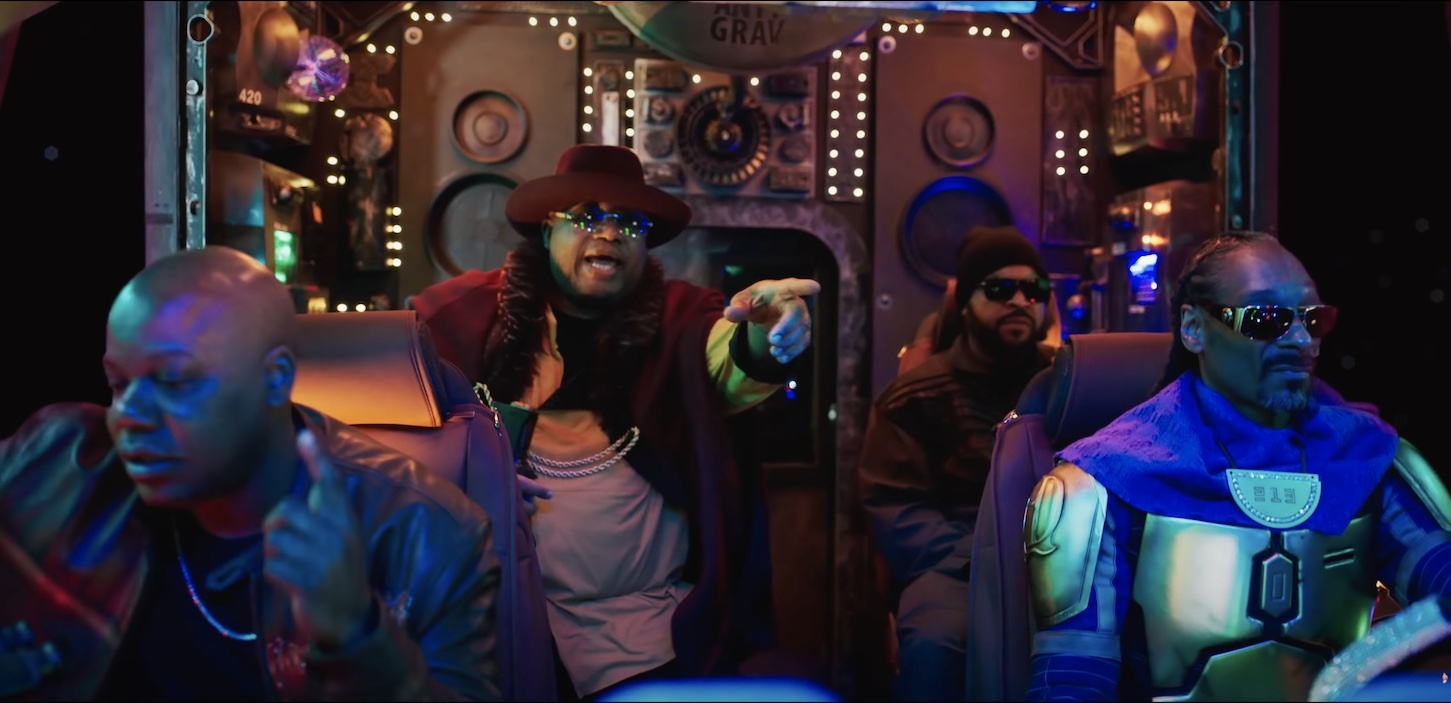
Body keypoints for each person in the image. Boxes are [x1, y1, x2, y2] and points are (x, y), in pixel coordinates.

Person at [0, 246, 503, 701]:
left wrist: (357, 635)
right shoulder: (56, 460)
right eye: (118, 384)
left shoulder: (428, 530)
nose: (128, 414)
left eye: (172, 380)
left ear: (275, 378)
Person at [410, 144, 817, 701]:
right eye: (585, 218)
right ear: (547, 231)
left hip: (643, 627)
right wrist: (478, 469)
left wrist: (768, 333)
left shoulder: (679, 318)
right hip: (504, 618)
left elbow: (729, 352)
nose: (608, 234)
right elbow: (395, 421)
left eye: (628, 222)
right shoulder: (468, 314)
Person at [1024, 231, 1451, 701]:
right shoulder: (1103, 479)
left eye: (1313, 319)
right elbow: (1073, 678)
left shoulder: (1362, 458)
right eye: (1266, 318)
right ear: (1194, 328)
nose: (1301, 340)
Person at [858, 225, 1058, 701]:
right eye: (999, 288)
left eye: (1033, 289)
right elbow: (897, 509)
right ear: (966, 301)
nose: (1019, 300)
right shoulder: (914, 397)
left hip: (1062, 555)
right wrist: (988, 556)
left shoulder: (1070, 383)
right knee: (938, 643)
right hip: (956, 564)